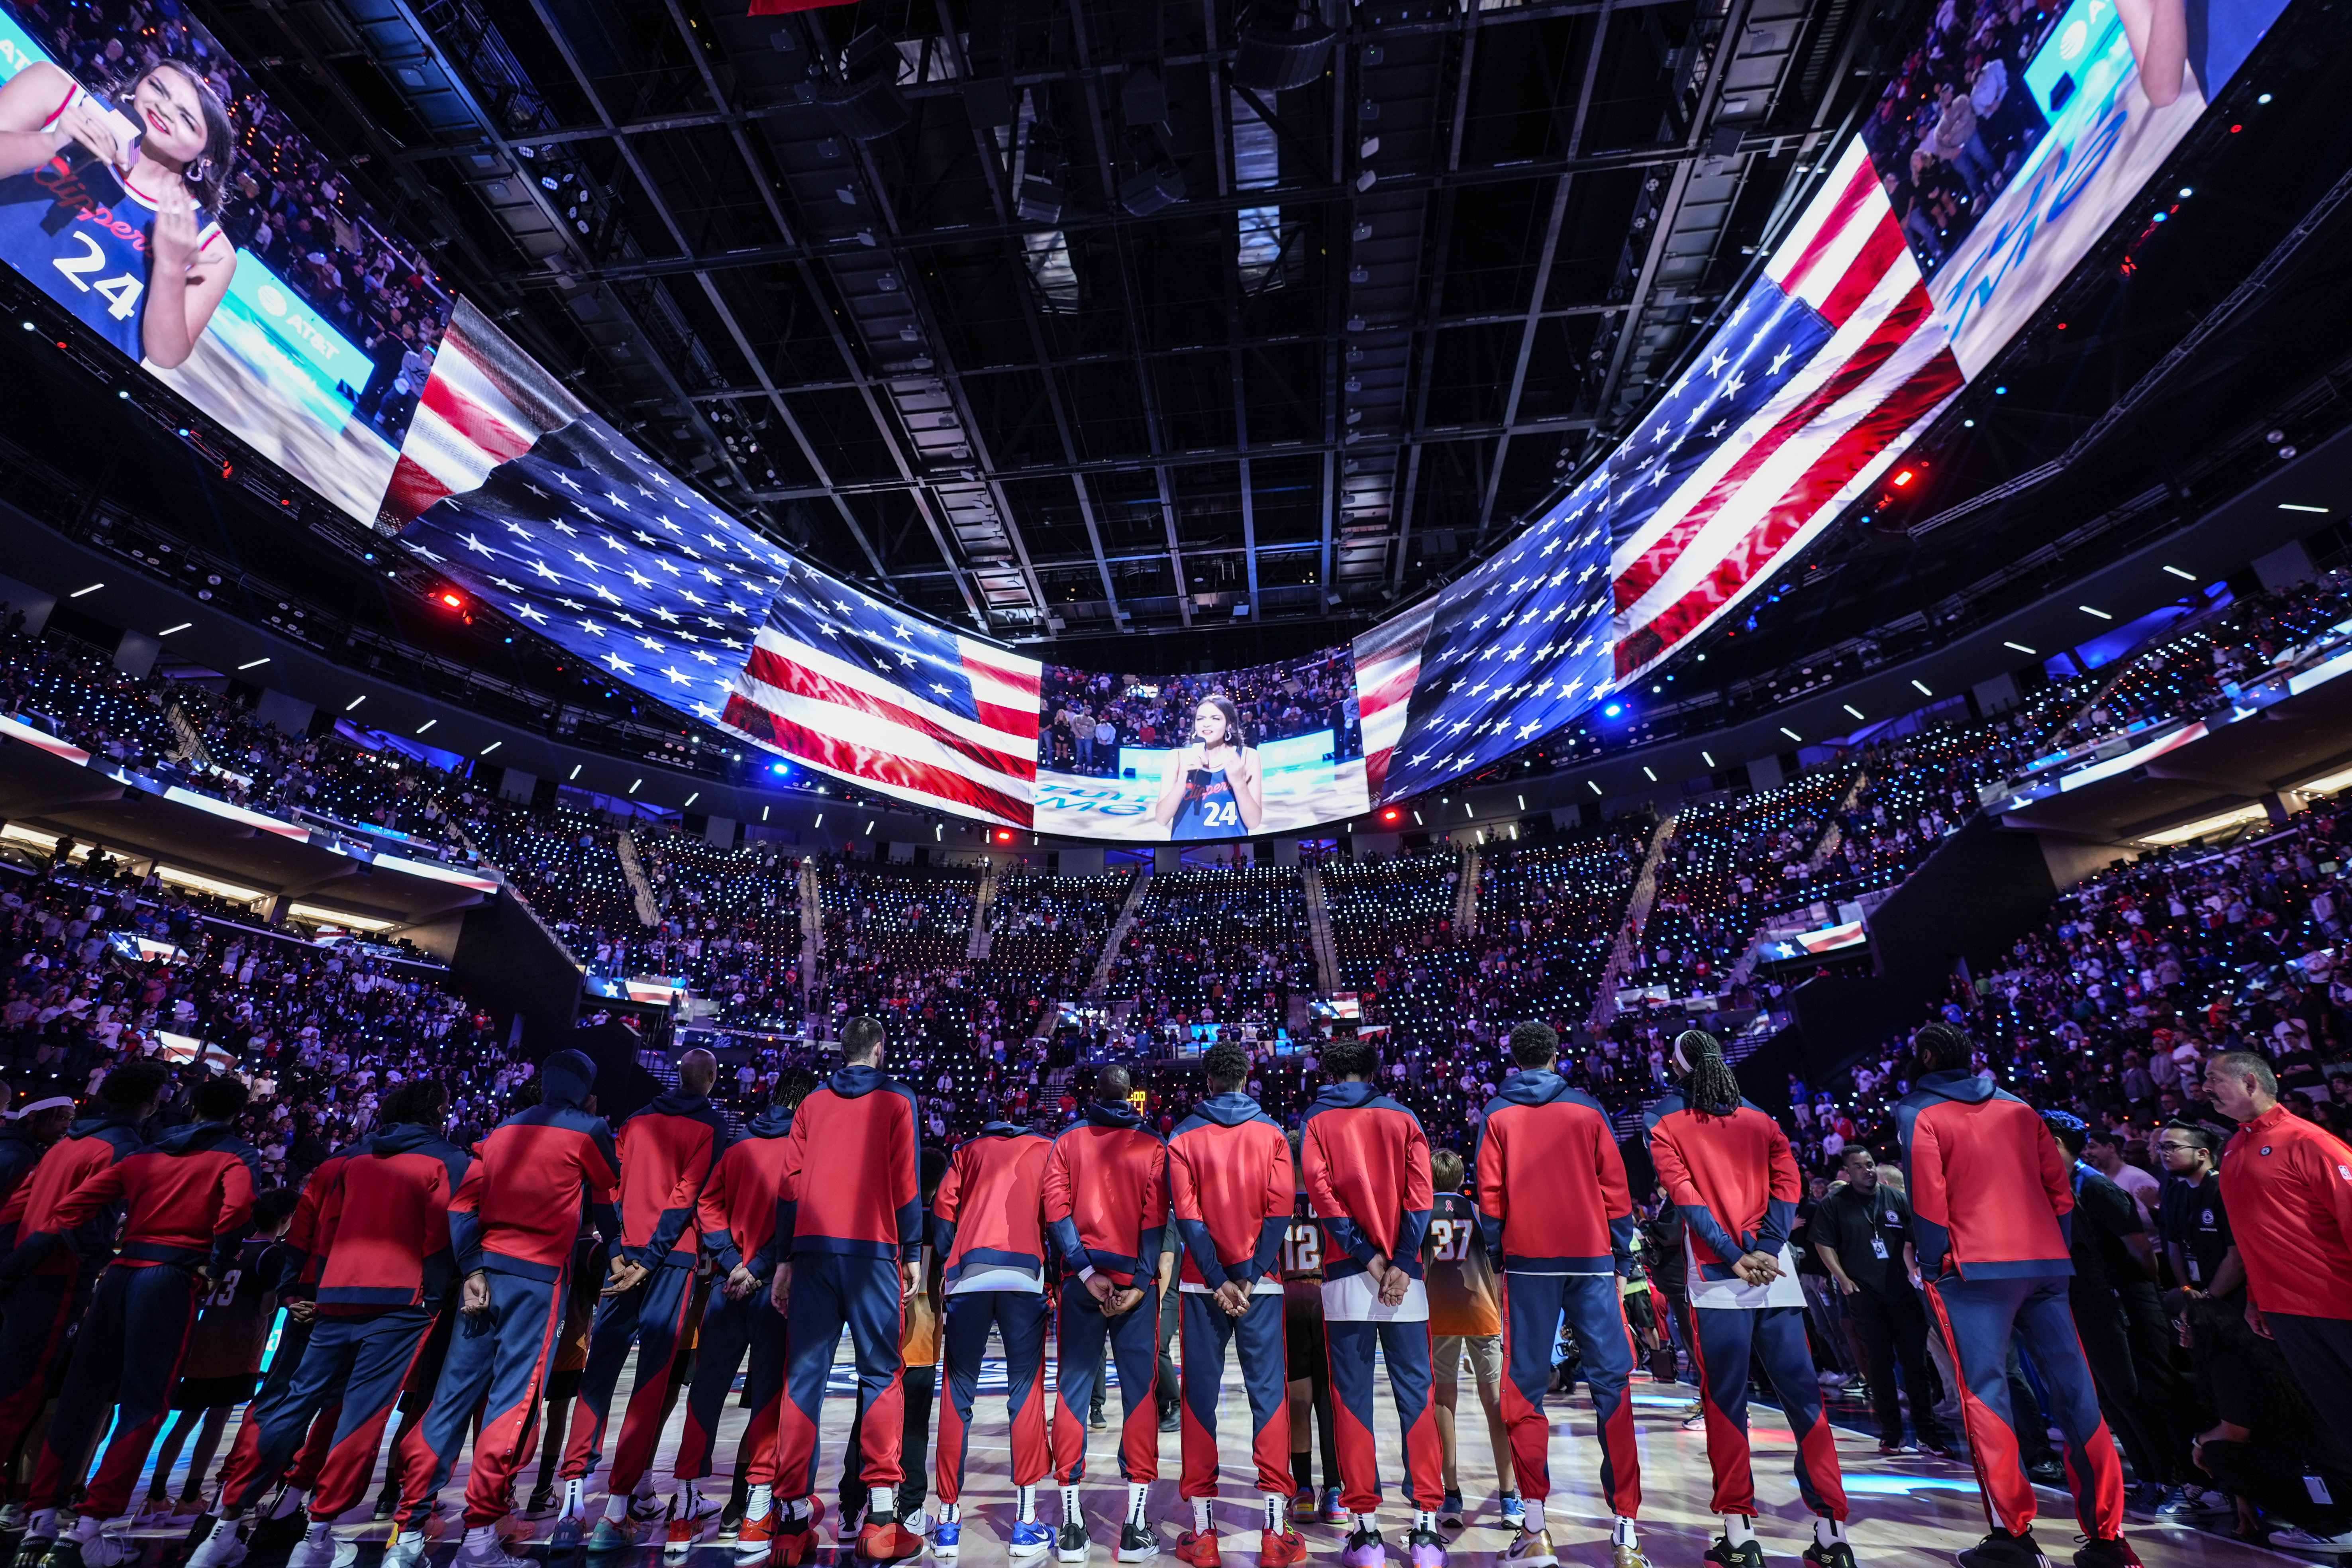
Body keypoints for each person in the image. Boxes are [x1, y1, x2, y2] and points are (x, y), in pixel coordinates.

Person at [187, 1079, 472, 1568]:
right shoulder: (445, 1162)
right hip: (397, 1301)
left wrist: (297, 1289)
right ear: (438, 1112)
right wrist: (435, 1290)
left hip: (324, 1297)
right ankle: (313, 1528)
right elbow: (440, 1234)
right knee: (357, 1417)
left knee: (282, 1405)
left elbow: (302, 1230)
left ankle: (225, 1517)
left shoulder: (345, 1162)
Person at [1897, 1022, 2136, 1568]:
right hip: (2044, 1262)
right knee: (2077, 1395)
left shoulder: (1918, 1110)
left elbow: (1928, 1199)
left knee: (1985, 1395)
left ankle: (2013, 1536)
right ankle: (2107, 1539)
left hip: (1975, 1269)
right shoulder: (2019, 1107)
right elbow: (2060, 1189)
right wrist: (2051, 1246)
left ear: (1927, 1055)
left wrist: (1932, 1263)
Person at [16, 1072, 259, 1568]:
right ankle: (86, 1532)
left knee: (81, 1396)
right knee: (144, 1402)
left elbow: (70, 1208)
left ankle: (38, 1521)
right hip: (169, 1277)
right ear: (237, 1113)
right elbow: (237, 1212)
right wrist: (214, 1265)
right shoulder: (235, 1155)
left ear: (190, 1106)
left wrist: (100, 1253)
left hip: (121, 1273)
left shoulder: (146, 1152)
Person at [390, 1049, 620, 1568]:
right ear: (586, 1089)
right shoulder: (588, 1128)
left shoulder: (497, 1133)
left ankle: (405, 1535)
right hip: (536, 1281)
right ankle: (477, 1540)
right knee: (510, 1406)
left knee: (447, 1401)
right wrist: (622, 1250)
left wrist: (471, 1268)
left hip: (481, 1277)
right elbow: (607, 1193)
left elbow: (461, 1205)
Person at [1648, 1031, 1850, 1568]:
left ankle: (1739, 1537)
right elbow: (1788, 1189)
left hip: (1719, 1282)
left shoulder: (1665, 1124)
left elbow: (1686, 1197)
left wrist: (1732, 1254)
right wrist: (1763, 1248)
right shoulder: (1764, 1121)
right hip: (1773, 1274)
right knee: (1805, 1403)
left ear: (1682, 1067)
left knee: (1724, 1404)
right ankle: (1831, 1536)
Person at [1474, 1020, 1643, 1568]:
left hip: (1527, 1262)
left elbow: (1491, 1196)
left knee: (1523, 1390)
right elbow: (1615, 1191)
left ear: (1513, 1056)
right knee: (1611, 1386)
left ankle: (1535, 1528)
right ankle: (1625, 1533)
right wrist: (1619, 1253)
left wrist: (1501, 1251)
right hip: (1592, 1258)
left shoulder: (1496, 1114)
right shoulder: (1588, 1110)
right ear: (1554, 1054)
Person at [763, 1015, 924, 1566]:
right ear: (879, 1050)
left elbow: (789, 1186)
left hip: (809, 1250)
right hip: (872, 1251)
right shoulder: (897, 1101)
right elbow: (906, 1181)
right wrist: (912, 1253)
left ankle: (788, 1524)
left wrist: (783, 1259)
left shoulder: (809, 1104)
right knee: (881, 1373)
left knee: (802, 1378)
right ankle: (881, 1516)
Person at [560, 1050, 732, 1553]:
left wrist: (618, 1248)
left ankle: (572, 1503)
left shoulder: (635, 1120)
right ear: (712, 1078)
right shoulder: (710, 1124)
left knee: (598, 1374)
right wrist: (651, 1257)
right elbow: (688, 1195)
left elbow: (607, 1187)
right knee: (651, 1381)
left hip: (624, 1256)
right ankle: (616, 1508)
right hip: (669, 1260)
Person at [1299, 1038, 1444, 1568]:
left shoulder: (1316, 1121)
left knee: (1351, 1402)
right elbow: (1420, 1193)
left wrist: (1368, 1258)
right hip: (1406, 1281)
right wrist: (1401, 1261)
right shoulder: (1403, 1116)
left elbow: (1320, 1193)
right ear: (1371, 1069)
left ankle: (1364, 1533)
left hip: (1347, 1275)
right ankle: (1426, 1530)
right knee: (1416, 1399)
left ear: (1330, 1073)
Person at [1164, 1040, 1306, 1568]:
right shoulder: (1271, 1132)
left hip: (1205, 1287)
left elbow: (1188, 1216)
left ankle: (1202, 1531)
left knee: (1199, 1399)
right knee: (1267, 1399)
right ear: (1247, 1077)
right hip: (1259, 1286)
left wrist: (1221, 1276)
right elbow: (1279, 1211)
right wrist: (1246, 1275)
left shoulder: (1182, 1133)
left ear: (1206, 1082)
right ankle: (1274, 1529)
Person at [0, 58, 239, 368]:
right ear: (136, 85)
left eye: (187, 119)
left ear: (206, 159)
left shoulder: (210, 246)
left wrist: (168, 267)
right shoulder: (57, 94)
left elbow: (166, 355)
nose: (164, 109)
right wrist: (51, 144)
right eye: (157, 88)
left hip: (71, 375)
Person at [0, 1060, 166, 1482]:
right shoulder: (121, 1148)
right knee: (23, 1388)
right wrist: (98, 1258)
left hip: (23, 1268)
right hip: (58, 1274)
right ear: (150, 1104)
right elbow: (73, 1216)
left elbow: (17, 1205)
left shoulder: (64, 1143)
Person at [677, 1070, 812, 1560]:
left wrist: (732, 1261)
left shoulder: (737, 1147)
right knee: (769, 1400)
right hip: (775, 1288)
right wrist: (756, 1267)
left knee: (706, 1392)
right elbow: (795, 1219)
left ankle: (683, 1509)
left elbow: (706, 1207)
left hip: (726, 1286)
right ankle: (756, 1511)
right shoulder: (801, 1153)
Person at [1041, 1065, 1166, 1563]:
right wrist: (1137, 1283)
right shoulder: (1153, 1144)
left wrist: (1086, 1270)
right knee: (1140, 1395)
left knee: (1071, 1392)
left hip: (1081, 1284)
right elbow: (1154, 1219)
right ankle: (1134, 1529)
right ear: (1131, 1098)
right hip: (1134, 1287)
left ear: (1093, 1095)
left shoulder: (1066, 1141)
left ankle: (1071, 1526)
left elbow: (1056, 1212)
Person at [2041, 1113, 2195, 1516]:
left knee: (2139, 1390)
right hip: (2088, 1298)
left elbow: (2140, 1249)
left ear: (2056, 1142)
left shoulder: (2094, 1186)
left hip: (2119, 1297)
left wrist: (2134, 1291)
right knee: (2111, 1394)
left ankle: (2174, 1479)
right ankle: (2148, 1474)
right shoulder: (2057, 1184)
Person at [2205, 1049, 2352, 1454]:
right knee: (2339, 1414)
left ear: (2249, 1081)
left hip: (2339, 1300)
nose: (2204, 1089)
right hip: (2285, 1310)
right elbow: (2254, 1233)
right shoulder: (2234, 1147)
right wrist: (2255, 1297)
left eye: (2213, 1078)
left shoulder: (2308, 1139)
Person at [930, 1115, 1055, 1560]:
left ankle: (947, 1521)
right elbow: (1057, 1212)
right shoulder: (1045, 1148)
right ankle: (1025, 1523)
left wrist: (950, 1255)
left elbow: (942, 1209)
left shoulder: (967, 1150)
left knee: (956, 1393)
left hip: (968, 1277)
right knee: (1025, 1393)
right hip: (1024, 1277)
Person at [139, 1186, 299, 1525]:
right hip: (238, 1346)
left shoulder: (231, 1247)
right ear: (287, 1219)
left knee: (184, 1422)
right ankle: (190, 1496)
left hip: (204, 1342)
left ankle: (154, 1496)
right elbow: (266, 1305)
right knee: (215, 1423)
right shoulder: (271, 1254)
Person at [1810, 1147, 1952, 1458]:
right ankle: (1891, 1433)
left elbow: (1914, 1239)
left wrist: (1917, 1272)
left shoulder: (1896, 1199)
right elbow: (1823, 1243)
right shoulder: (1834, 1204)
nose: (1867, 1170)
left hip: (1902, 1292)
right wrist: (1843, 1279)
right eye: (1858, 1166)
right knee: (1879, 1364)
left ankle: (1927, 1434)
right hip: (1864, 1295)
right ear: (1847, 1172)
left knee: (1916, 1365)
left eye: (1870, 1164)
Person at [1421, 1149, 1515, 1530]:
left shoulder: (1419, 1211)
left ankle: (1452, 1496)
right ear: (1461, 1179)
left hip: (1438, 1312)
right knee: (1495, 1403)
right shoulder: (1477, 1212)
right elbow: (1499, 1258)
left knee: (1444, 1401)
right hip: (1482, 1312)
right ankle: (1510, 1500)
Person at [1275, 1135, 1342, 1529]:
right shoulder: (1327, 1196)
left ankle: (1301, 1489)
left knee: (1297, 1400)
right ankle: (1333, 1490)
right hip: (1327, 1297)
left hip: (1289, 1299)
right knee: (1328, 1400)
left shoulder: (1277, 1198)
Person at [1150, 697, 1263, 839]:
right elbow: (1162, 819)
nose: (1207, 724)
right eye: (1201, 719)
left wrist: (1239, 784)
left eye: (1215, 719)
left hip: (1233, 850)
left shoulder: (1248, 757)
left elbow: (1253, 823)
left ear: (1229, 724)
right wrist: (1183, 781)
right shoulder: (1176, 758)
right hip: (1185, 853)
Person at [2153, 1121, 2241, 1301]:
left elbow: (2238, 1258)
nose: (2164, 1153)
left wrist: (2208, 1300)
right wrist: (2185, 1288)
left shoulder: (2224, 1189)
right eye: (2160, 1147)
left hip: (2234, 1296)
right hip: (2197, 1293)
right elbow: (2174, 1246)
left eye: (2171, 1147)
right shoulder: (2175, 1192)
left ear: (2202, 1154)